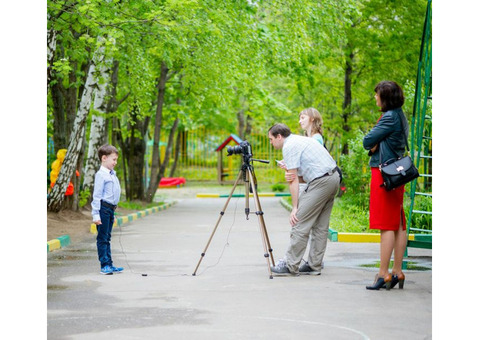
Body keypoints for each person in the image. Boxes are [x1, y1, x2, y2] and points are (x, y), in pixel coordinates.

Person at [268, 123, 339, 275]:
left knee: (299, 220)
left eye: (271, 139)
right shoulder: (300, 140)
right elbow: (303, 175)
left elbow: (293, 181)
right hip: (333, 177)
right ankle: (314, 265)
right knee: (320, 226)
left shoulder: (289, 146)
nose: (271, 142)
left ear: (279, 137)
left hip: (321, 181)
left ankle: (290, 265)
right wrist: (290, 173)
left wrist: (295, 208)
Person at [363, 80, 409, 290]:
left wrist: (373, 147)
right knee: (398, 223)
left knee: (386, 224)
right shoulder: (400, 115)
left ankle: (383, 274)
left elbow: (367, 141)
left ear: (385, 97)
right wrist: (376, 144)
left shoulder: (388, 117)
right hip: (397, 173)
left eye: (377, 94)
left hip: (384, 175)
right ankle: (397, 271)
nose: (375, 97)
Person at [91, 144, 124, 275]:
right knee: (102, 238)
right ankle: (104, 265)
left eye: (116, 160)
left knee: (107, 238)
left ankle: (110, 264)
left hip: (110, 210)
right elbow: (97, 196)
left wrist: (113, 212)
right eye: (113, 159)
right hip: (103, 209)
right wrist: (95, 215)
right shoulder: (101, 175)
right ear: (104, 158)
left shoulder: (112, 174)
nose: (115, 162)